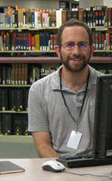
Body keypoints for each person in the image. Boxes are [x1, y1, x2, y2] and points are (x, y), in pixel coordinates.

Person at [27, 19, 102, 158]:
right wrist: (65, 171)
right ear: (58, 51)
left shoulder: (107, 87)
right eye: (69, 45)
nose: (76, 51)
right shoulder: (38, 91)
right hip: (59, 168)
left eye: (82, 45)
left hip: (98, 166)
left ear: (91, 50)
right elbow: (43, 146)